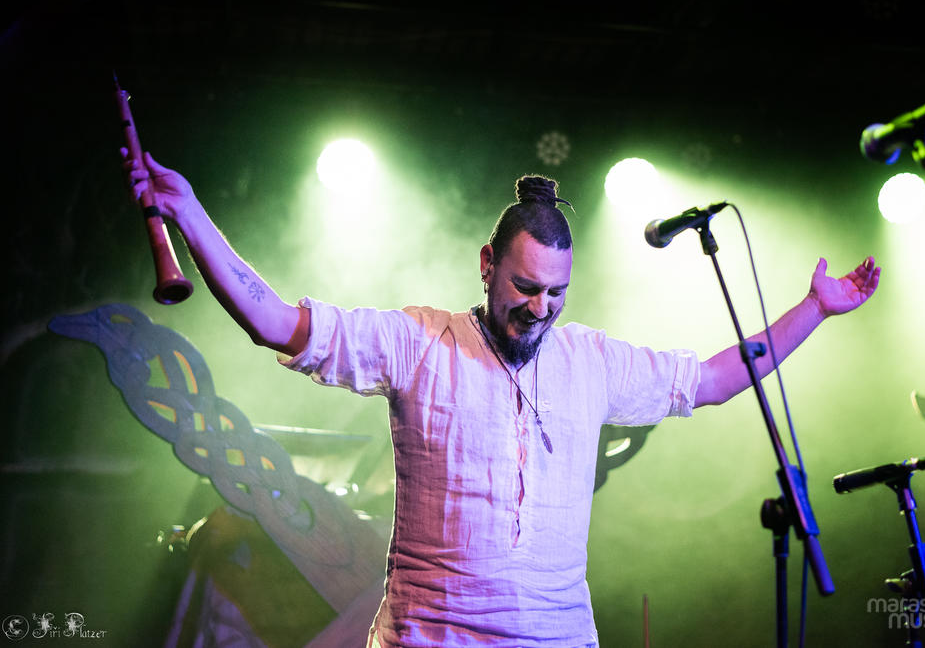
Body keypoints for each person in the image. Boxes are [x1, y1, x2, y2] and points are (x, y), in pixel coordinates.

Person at [124, 150, 880, 647]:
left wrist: (813, 309)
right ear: (487, 264)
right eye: (524, 286)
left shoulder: (591, 361)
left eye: (556, 293)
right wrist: (189, 213)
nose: (539, 308)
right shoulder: (419, 342)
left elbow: (713, 380)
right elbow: (275, 321)